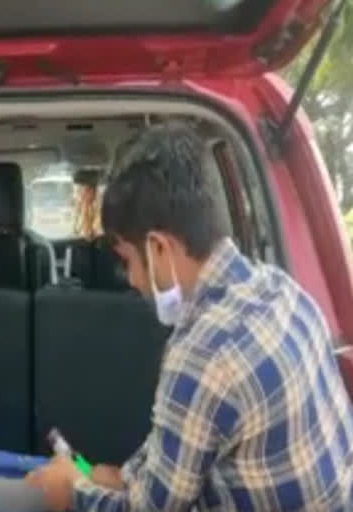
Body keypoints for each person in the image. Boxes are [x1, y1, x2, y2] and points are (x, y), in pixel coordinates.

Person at [26, 124, 353, 510]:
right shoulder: (284, 290)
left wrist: (73, 492)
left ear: (158, 247)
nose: (132, 281)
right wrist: (96, 475)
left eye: (128, 261)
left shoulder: (203, 354)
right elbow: (174, 459)